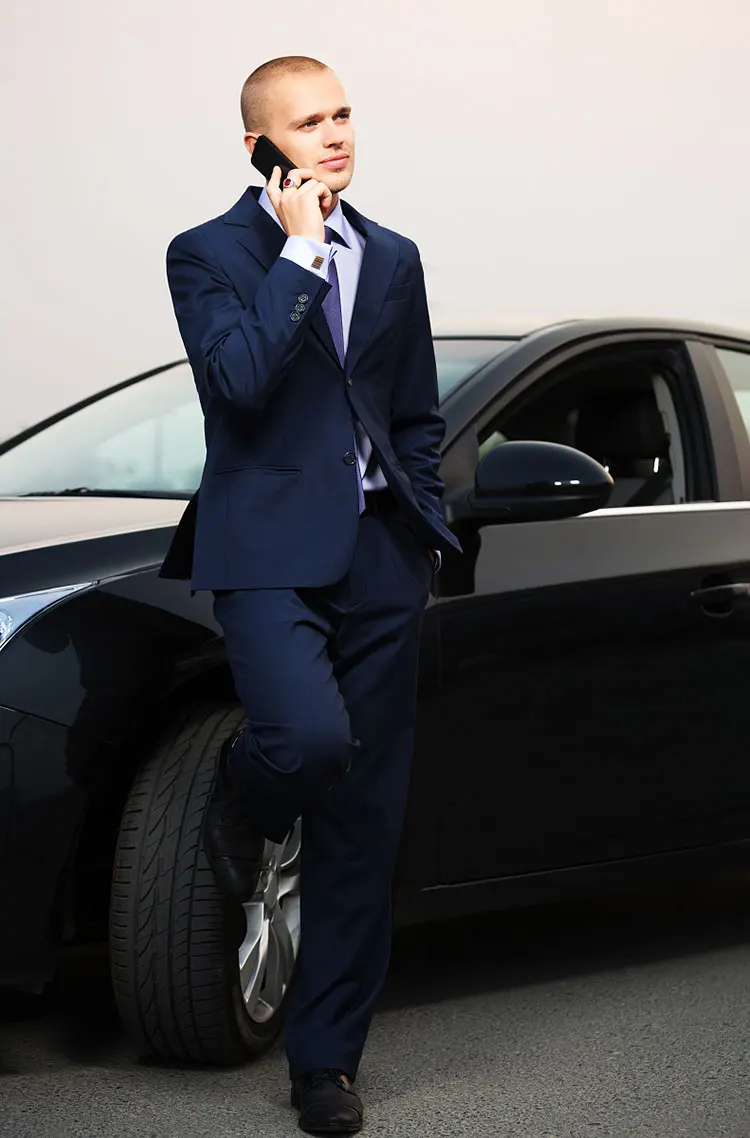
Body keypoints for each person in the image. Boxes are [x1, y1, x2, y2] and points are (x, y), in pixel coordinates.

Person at [161, 55, 461, 1135]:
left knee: (363, 822)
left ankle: (325, 1065)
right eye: (306, 123)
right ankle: (241, 806)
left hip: (381, 558)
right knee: (305, 740)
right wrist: (297, 252)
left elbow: (413, 410)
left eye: (341, 115)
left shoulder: (394, 255)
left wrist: (423, 532)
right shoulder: (208, 252)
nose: (334, 135)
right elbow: (237, 381)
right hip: (266, 553)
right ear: (259, 146)